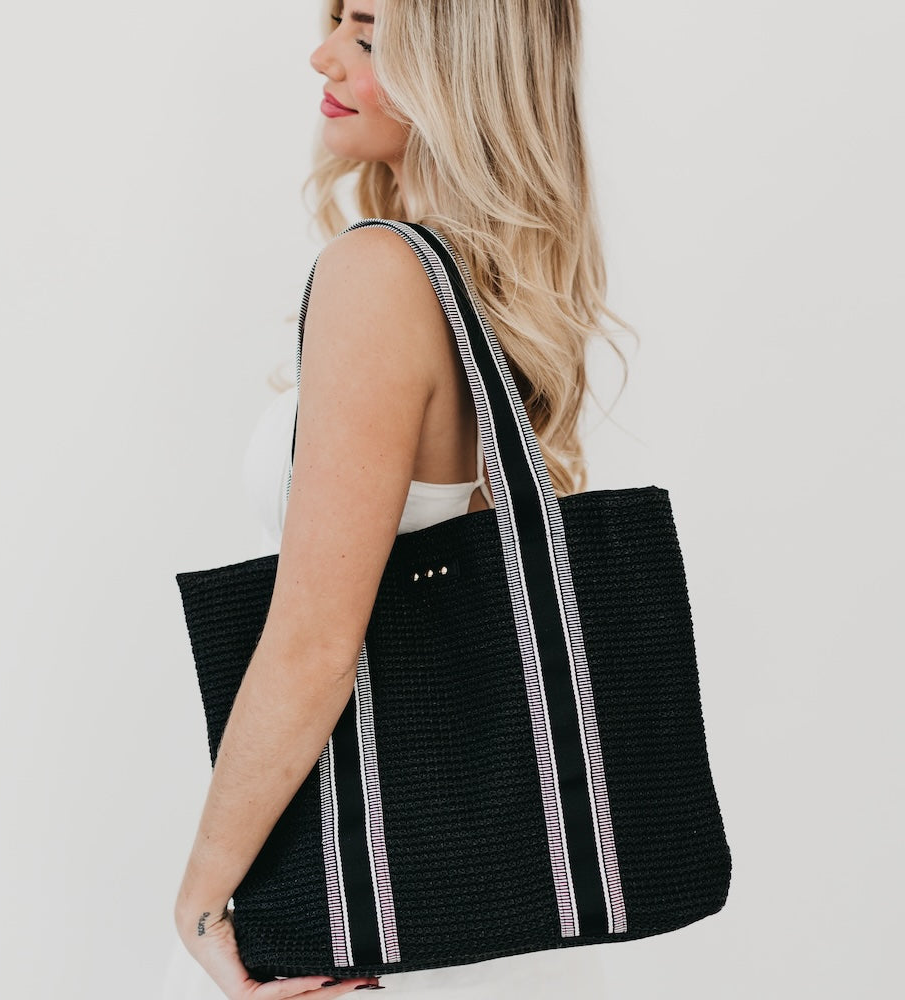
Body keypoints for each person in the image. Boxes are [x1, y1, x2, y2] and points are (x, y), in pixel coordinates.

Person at [168, 1, 631, 996]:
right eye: (336, 18)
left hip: (328, 892)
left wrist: (202, 898)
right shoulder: (482, 286)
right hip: (385, 878)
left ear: (459, 71)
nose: (322, 54)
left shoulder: (380, 273)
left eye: (369, 36)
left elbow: (315, 644)